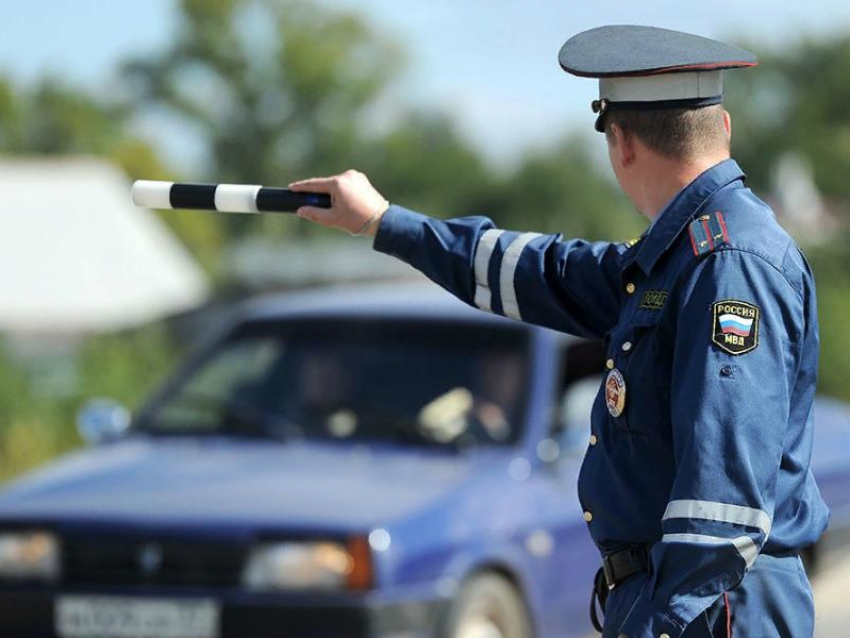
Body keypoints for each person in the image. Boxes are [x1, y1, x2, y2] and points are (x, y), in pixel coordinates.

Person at [289, 25, 829, 638]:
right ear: (722, 129)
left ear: (619, 142)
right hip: (687, 603)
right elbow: (540, 269)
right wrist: (386, 223)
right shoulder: (678, 257)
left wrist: (655, 625)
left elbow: (723, 507)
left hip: (709, 611)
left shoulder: (726, 262)